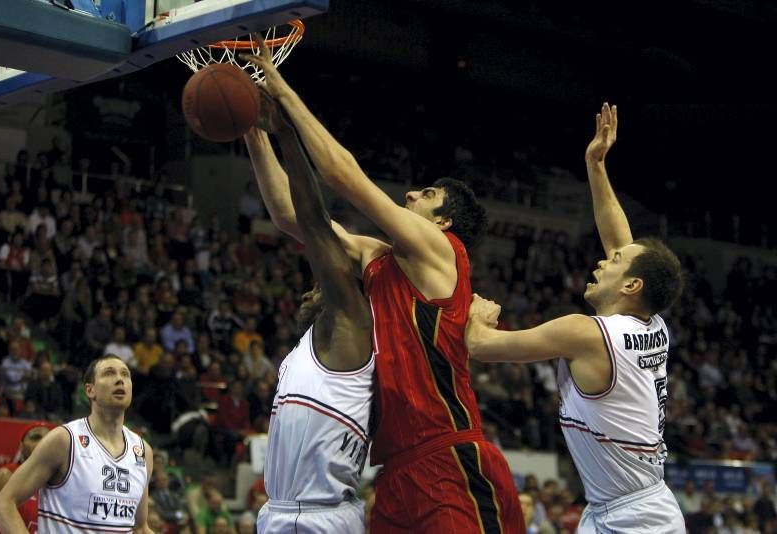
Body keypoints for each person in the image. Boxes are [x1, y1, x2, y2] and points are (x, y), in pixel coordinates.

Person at [245, 38, 524, 532]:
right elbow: (294, 217)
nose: (412, 193)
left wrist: (281, 92)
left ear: (443, 223)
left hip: (449, 455)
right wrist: (252, 130)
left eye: (428, 194)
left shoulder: (444, 253)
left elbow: (340, 174)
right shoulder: (380, 258)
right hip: (394, 472)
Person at [465, 104, 686, 533]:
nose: (603, 262)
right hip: (619, 508)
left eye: (615, 263)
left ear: (632, 286)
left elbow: (479, 347)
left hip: (637, 518)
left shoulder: (585, 333)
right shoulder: (652, 324)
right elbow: (619, 239)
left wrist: (478, 316)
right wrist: (595, 164)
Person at [250, 95, 374, 532]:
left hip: (320, 517)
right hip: (283, 512)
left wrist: (285, 132)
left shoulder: (354, 319)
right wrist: (253, 131)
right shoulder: (314, 344)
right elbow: (288, 215)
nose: (311, 287)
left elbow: (312, 220)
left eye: (322, 280)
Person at [0, 354, 154, 533]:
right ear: (90, 390)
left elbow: (140, 528)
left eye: (125, 375)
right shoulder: (64, 440)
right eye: (109, 373)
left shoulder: (143, 451)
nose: (119, 380)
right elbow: (2, 505)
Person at [0, 423, 51, 533]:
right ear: (21, 446)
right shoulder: (3, 477)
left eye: (49, 438)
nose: (43, 442)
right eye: (35, 437)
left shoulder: (60, 487)